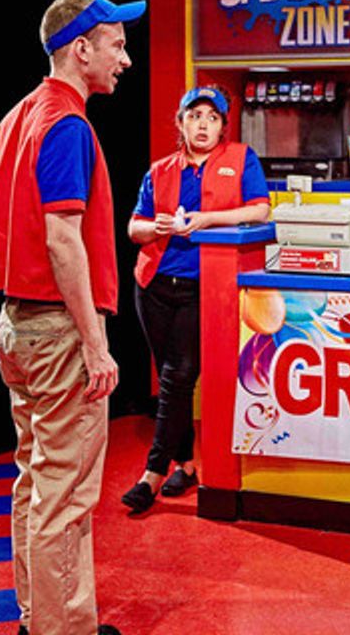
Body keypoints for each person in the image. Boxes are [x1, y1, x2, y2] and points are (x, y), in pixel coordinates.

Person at [0, 0, 144, 635]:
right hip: (56, 330)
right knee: (67, 496)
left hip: (15, 328)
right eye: (116, 44)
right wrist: (96, 344)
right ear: (82, 49)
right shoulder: (67, 125)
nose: (124, 58)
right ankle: (60, 630)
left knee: (35, 482)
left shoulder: (18, 117)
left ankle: (42, 617)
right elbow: (61, 238)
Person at [120, 86, 270, 514]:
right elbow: (134, 227)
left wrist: (207, 220)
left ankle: (152, 474)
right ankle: (186, 464)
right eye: (194, 116)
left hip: (203, 288)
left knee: (178, 376)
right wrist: (159, 228)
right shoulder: (160, 170)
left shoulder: (242, 160)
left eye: (212, 117)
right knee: (175, 380)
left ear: (223, 126)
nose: (202, 124)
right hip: (152, 285)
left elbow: (260, 210)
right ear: (180, 123)